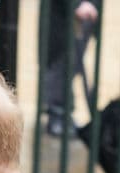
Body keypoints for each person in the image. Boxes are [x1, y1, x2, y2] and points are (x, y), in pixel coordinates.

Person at [43, 0, 100, 136]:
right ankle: (57, 112)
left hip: (84, 13)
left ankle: (64, 111)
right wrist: (78, 4)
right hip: (65, 13)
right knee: (60, 60)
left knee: (72, 64)